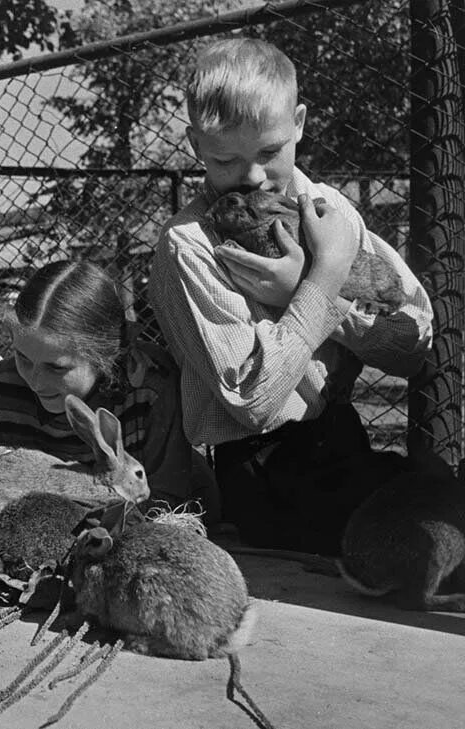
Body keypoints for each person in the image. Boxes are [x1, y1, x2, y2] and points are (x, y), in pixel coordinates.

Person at [148, 38, 434, 554]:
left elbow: (414, 345)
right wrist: (319, 282)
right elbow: (252, 401)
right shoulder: (188, 245)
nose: (253, 176)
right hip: (264, 467)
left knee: (437, 508)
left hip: (342, 436)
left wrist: (313, 294)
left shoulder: (330, 212)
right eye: (225, 159)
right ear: (194, 145)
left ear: (298, 123)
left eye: (269, 151)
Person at [0, 259, 211, 512]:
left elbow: (165, 501)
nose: (35, 382)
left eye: (56, 367)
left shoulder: (149, 391)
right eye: (21, 358)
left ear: (105, 357)